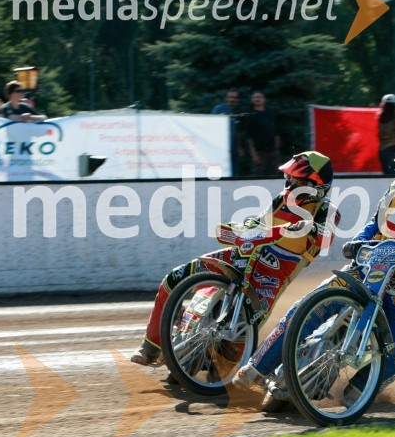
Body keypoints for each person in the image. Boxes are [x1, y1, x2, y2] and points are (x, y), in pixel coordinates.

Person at [231, 145, 395, 405]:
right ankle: (256, 368)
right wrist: (358, 241)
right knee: (306, 308)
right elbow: (374, 222)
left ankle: (359, 390)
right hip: (362, 272)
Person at [130, 151, 338, 366]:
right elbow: (258, 223)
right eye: (289, 177)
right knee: (173, 280)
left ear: (315, 185)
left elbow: (326, 240)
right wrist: (247, 226)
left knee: (233, 350)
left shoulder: (326, 210)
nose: (290, 182)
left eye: (297, 179)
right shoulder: (279, 200)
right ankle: (151, 346)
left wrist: (311, 227)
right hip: (243, 256)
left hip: (271, 276)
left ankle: (203, 361)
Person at [242, 91, 280, 176]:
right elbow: (249, 137)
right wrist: (254, 154)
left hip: (272, 152)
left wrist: (276, 149)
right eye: (255, 97)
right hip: (259, 152)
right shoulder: (250, 116)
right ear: (252, 100)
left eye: (259, 97)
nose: (257, 99)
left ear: (264, 99)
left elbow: (276, 134)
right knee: (258, 176)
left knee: (274, 175)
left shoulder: (270, 114)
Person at [212, 88, 244, 177]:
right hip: (221, 147)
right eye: (230, 97)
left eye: (235, 97)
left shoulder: (238, 111)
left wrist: (239, 147)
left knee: (234, 172)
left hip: (233, 147)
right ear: (226, 98)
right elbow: (212, 127)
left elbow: (237, 132)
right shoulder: (219, 109)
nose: (232, 99)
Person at [377, 94, 395, 176]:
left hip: (382, 150)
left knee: (386, 176)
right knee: (394, 177)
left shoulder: (380, 118)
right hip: (393, 150)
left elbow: (380, 135)